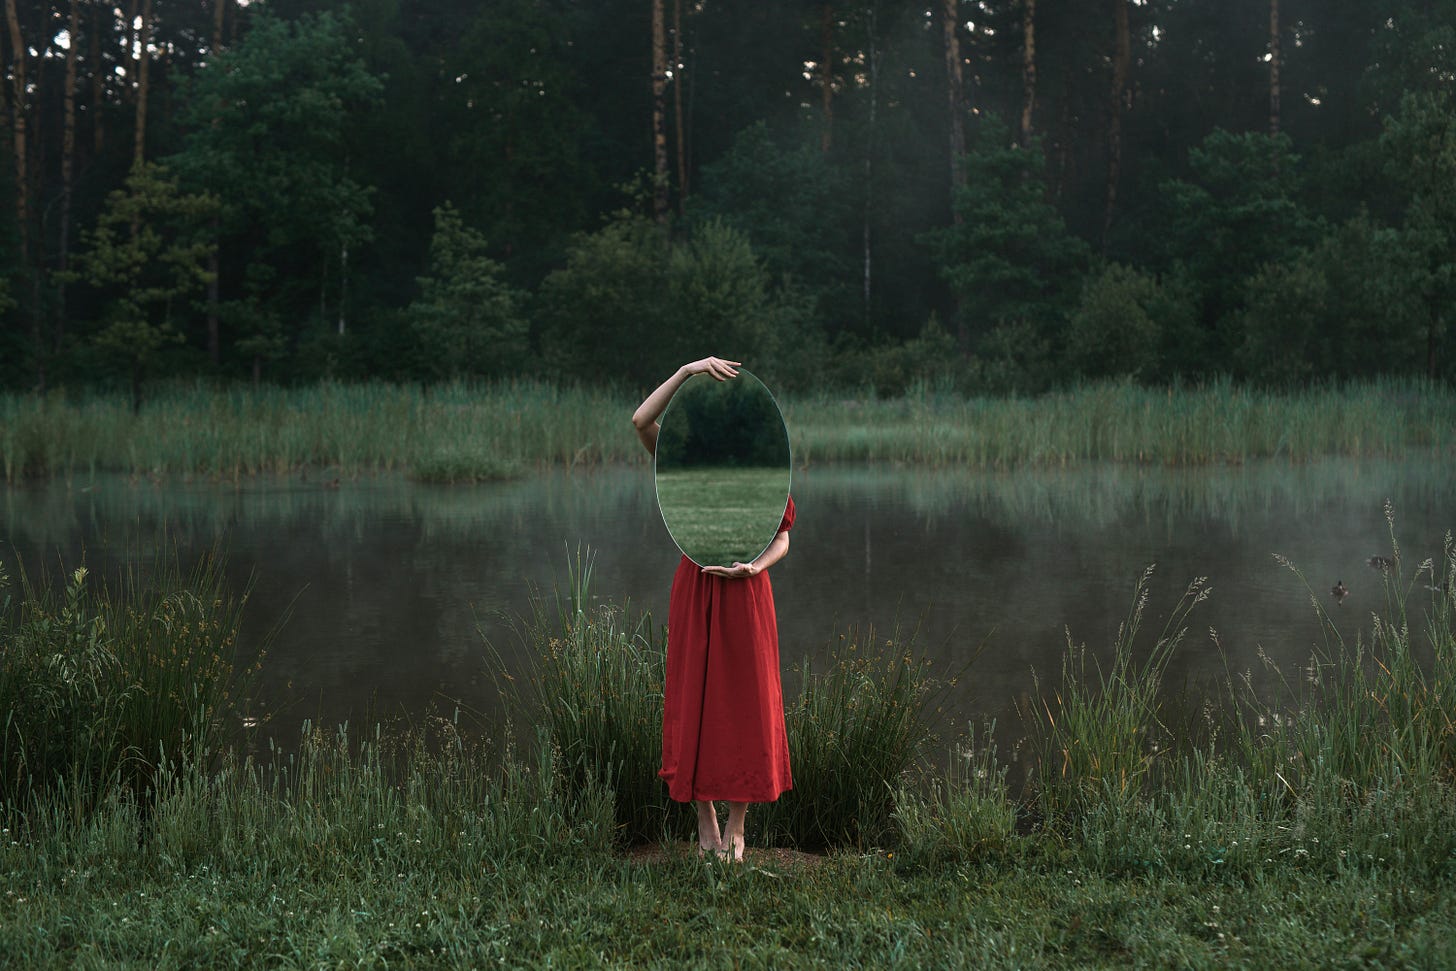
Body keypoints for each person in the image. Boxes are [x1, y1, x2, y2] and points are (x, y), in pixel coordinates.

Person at [632, 357, 794, 862]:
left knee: (747, 704)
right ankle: (704, 821)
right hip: (698, 588)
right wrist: (685, 372)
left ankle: (738, 826)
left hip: (747, 591)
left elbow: (783, 539)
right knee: (695, 700)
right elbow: (640, 421)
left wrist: (754, 567)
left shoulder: (762, 470)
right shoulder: (684, 458)